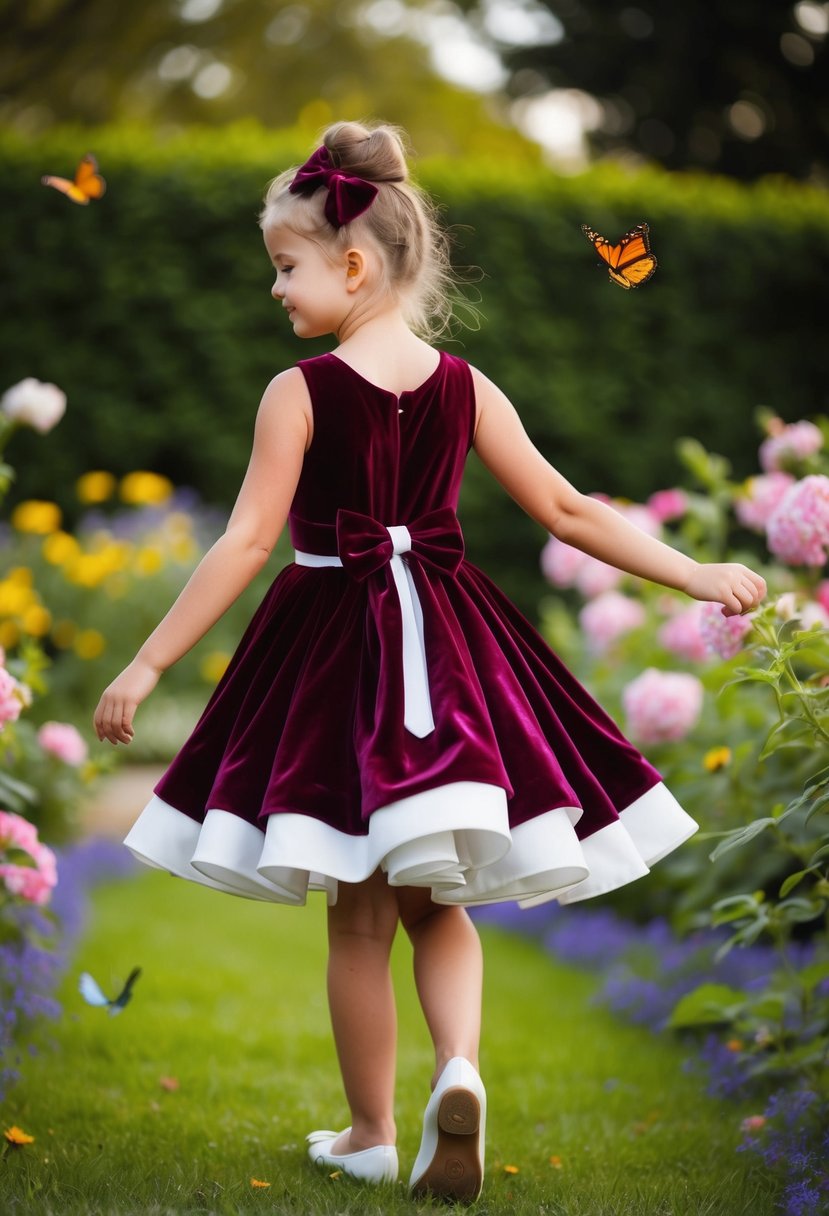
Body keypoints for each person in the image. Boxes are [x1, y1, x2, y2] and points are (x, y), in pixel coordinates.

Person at [93, 120, 766, 1203]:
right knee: (436, 899)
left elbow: (249, 542)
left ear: (352, 264)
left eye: (285, 266)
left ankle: (369, 1129)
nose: (276, 292)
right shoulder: (466, 383)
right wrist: (689, 573)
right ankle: (460, 1068)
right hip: (452, 657)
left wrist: (143, 661)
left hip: (332, 662)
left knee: (357, 914)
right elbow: (562, 508)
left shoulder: (298, 391)